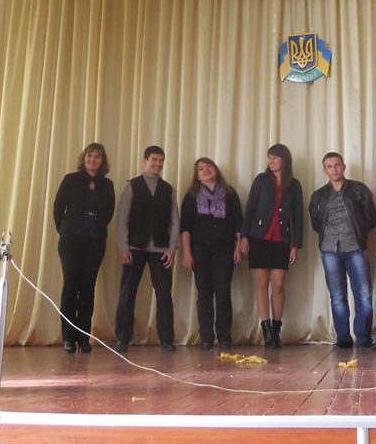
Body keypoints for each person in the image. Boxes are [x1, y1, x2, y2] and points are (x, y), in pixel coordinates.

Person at [309, 152, 376, 349]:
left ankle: (364, 338)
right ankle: (343, 338)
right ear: (324, 170)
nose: (334, 169)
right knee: (337, 296)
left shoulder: (359, 190)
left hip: (355, 247)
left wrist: (359, 233)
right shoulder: (318, 196)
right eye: (329, 166)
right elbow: (316, 223)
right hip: (329, 249)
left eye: (337, 165)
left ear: (344, 167)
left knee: (363, 294)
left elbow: (371, 217)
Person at [114, 145, 179, 352]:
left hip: (161, 250)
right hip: (134, 248)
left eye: (161, 161)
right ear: (145, 161)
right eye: (154, 160)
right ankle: (122, 338)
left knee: (164, 295)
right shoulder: (131, 186)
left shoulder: (169, 190)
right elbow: (122, 219)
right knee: (127, 294)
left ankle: (167, 339)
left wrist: (172, 249)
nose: (157, 164)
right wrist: (123, 247)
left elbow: (174, 221)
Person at [52, 143, 115, 353]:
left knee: (88, 287)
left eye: (97, 156)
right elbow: (58, 208)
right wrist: (65, 231)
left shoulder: (107, 185)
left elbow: (108, 213)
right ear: (84, 157)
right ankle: (68, 338)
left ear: (102, 161)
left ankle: (84, 338)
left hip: (95, 242)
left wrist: (95, 228)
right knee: (71, 286)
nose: (92, 160)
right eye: (89, 155)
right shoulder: (70, 180)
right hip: (71, 241)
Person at [241, 143, 303, 348]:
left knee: (278, 284)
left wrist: (295, 245)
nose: (271, 161)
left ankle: (276, 328)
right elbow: (250, 208)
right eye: (269, 158)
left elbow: (298, 217)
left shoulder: (294, 185)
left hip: (281, 240)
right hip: (259, 237)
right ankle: (266, 328)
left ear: (284, 160)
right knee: (261, 282)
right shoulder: (261, 180)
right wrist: (244, 237)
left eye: (275, 158)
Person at [180, 157, 243, 352]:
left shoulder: (230, 193)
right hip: (199, 250)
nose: (205, 169)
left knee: (223, 292)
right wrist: (187, 253)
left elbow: (238, 223)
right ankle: (206, 337)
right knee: (204, 294)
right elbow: (185, 227)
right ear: (197, 176)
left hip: (224, 248)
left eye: (209, 166)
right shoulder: (191, 196)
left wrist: (238, 247)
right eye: (201, 168)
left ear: (216, 170)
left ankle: (224, 337)